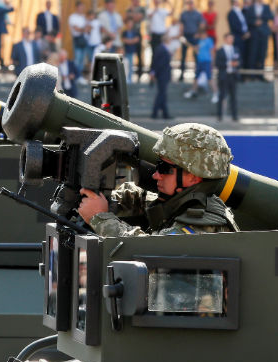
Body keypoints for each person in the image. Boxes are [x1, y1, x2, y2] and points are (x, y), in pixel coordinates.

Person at [77, 122, 238, 237]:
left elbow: (151, 253)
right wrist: (102, 197)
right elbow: (143, 199)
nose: (155, 175)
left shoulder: (203, 226)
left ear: (193, 177)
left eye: (163, 168)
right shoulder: (182, 202)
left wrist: (100, 217)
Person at [183, 29, 216, 100]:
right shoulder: (200, 41)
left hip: (207, 61)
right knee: (196, 77)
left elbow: (212, 51)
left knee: (209, 78)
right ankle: (193, 90)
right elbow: (196, 49)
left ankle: (216, 93)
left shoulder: (209, 41)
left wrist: (212, 62)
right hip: (200, 62)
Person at [245, 0, 273, 80]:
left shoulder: (266, 7)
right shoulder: (251, 8)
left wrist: (261, 20)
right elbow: (247, 19)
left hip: (263, 34)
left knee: (262, 54)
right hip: (254, 34)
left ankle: (260, 74)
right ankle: (252, 75)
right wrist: (254, 22)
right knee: (253, 54)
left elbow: (270, 16)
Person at [216, 33, 241, 121]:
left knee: (233, 97)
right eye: (229, 38)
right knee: (222, 96)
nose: (231, 40)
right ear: (225, 39)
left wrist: (237, 64)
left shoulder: (235, 49)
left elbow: (239, 61)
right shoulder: (220, 51)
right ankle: (219, 115)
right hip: (224, 76)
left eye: (232, 38)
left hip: (233, 76)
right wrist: (228, 63)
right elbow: (217, 63)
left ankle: (234, 116)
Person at [179, 0, 205, 82]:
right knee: (183, 56)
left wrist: (198, 33)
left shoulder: (197, 14)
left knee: (196, 56)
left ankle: (197, 74)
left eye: (191, 3)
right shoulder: (184, 14)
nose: (190, 5)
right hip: (186, 36)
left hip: (194, 36)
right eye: (189, 3)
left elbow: (202, 24)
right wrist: (181, 34)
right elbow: (181, 25)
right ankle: (182, 74)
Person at [150, 35, 172, 119]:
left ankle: (165, 114)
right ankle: (155, 113)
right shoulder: (161, 49)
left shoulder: (163, 48)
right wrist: (153, 72)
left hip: (163, 74)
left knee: (163, 94)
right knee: (161, 94)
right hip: (162, 75)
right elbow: (156, 62)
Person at [126, 0, 147, 81]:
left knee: (139, 55)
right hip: (129, 32)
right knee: (129, 55)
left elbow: (138, 18)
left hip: (137, 33)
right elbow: (126, 18)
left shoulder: (141, 9)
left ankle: (139, 74)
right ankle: (128, 74)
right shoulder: (129, 9)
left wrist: (132, 14)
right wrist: (132, 15)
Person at [227, 0, 249, 71]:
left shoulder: (240, 11)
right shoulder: (231, 13)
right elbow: (234, 26)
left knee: (244, 56)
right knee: (238, 56)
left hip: (244, 37)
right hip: (238, 38)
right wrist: (243, 34)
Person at [69, 2, 88, 77]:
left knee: (82, 60)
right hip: (77, 39)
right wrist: (84, 29)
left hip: (84, 39)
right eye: (80, 7)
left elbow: (87, 27)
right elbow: (76, 29)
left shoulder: (84, 17)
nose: (82, 9)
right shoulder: (72, 17)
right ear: (76, 7)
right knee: (77, 59)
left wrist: (83, 29)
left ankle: (80, 76)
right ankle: (76, 76)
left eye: (83, 7)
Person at [122, 18, 140, 83]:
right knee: (126, 65)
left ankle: (130, 78)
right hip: (126, 51)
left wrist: (129, 41)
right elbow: (124, 40)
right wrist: (132, 41)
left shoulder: (135, 32)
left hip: (131, 51)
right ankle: (126, 78)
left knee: (131, 65)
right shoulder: (124, 32)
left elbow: (137, 39)